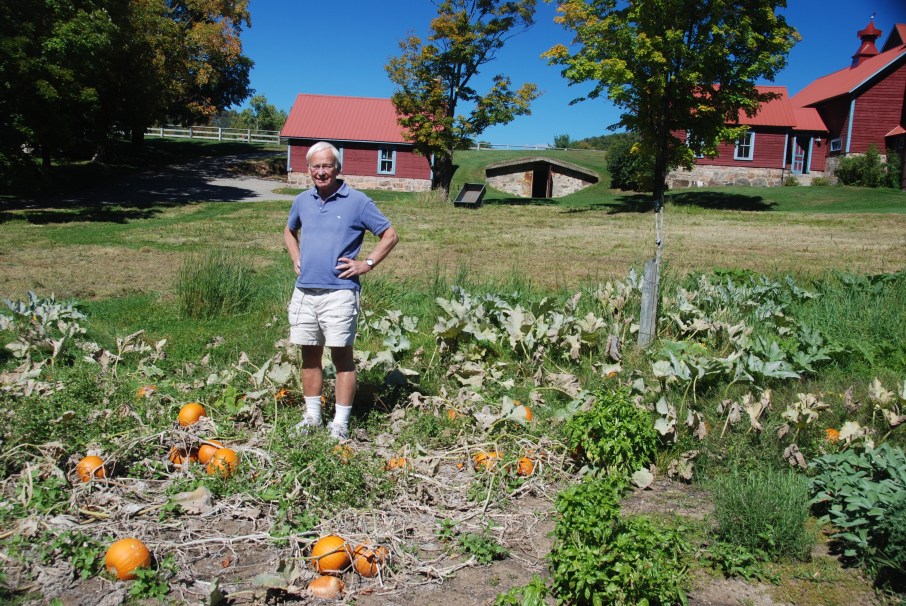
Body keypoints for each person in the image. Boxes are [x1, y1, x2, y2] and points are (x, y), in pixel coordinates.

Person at [283, 141, 399, 440]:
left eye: (327, 166)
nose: (321, 172)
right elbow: (289, 230)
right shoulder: (302, 200)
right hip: (305, 291)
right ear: (309, 169)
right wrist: (295, 256)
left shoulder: (358, 201)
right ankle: (312, 417)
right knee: (309, 355)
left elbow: (389, 234)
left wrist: (367, 263)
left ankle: (340, 423)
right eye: (316, 166)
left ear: (338, 168)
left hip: (340, 292)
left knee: (341, 357)